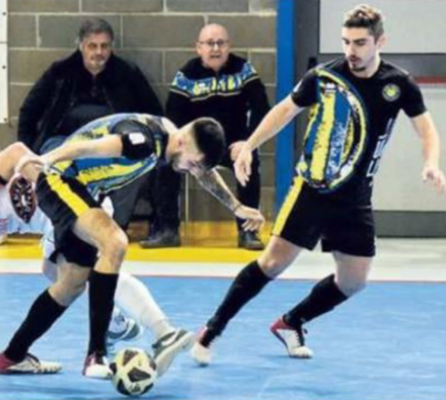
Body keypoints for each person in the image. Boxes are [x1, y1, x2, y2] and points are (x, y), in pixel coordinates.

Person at [190, 4, 446, 366]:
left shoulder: (398, 83)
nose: (351, 51)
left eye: (360, 43)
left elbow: (426, 130)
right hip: (312, 189)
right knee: (272, 263)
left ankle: (291, 322)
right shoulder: (324, 78)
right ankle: (212, 329)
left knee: (354, 281)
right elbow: (284, 110)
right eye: (346, 42)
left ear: (380, 42)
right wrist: (249, 145)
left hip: (355, 196)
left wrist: (431, 163)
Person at [0, 141, 199, 378]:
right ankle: (115, 323)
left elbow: (16, 152)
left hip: (72, 201)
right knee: (53, 271)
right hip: (52, 224)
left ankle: (162, 331)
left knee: (95, 268)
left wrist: (50, 187)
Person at [18, 17, 163, 229]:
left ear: (111, 47)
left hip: (111, 145)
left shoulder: (127, 73)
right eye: (92, 46)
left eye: (104, 46)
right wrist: (27, 151)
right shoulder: (60, 73)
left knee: (135, 168)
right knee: (55, 168)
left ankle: (115, 227)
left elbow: (154, 113)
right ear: (81, 46)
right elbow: (29, 112)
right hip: (63, 142)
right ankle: (69, 225)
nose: (98, 52)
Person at [141, 23, 271, 250]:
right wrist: (184, 149)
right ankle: (167, 230)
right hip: (196, 146)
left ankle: (248, 231)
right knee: (165, 163)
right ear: (198, 48)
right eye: (210, 43)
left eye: (221, 43)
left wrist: (247, 143)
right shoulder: (186, 76)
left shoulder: (244, 70)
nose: (216, 49)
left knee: (249, 162)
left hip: (234, 145)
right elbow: (173, 117)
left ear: (229, 46)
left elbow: (261, 108)